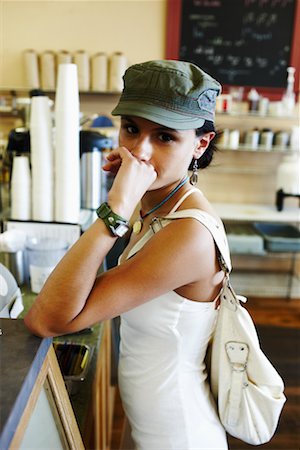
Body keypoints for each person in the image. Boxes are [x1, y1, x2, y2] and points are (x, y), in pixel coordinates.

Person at [24, 60, 230, 449]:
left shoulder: (189, 233)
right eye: (131, 128)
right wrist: (125, 198)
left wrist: (114, 209)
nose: (140, 151)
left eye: (165, 137)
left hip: (177, 435)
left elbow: (46, 318)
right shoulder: (161, 203)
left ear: (200, 144)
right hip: (147, 421)